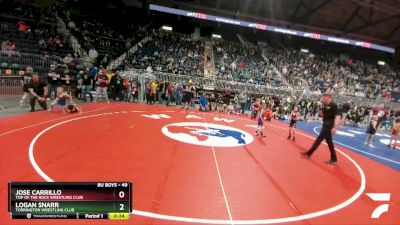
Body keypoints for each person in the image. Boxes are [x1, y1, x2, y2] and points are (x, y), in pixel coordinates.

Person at [301, 93, 341, 165]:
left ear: (328, 97)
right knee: (329, 142)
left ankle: (309, 153)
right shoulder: (325, 105)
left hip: (329, 126)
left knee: (319, 139)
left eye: (324, 97)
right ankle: (334, 158)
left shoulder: (334, 105)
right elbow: (322, 114)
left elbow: (337, 116)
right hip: (325, 124)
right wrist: (320, 108)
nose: (323, 98)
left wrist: (335, 127)